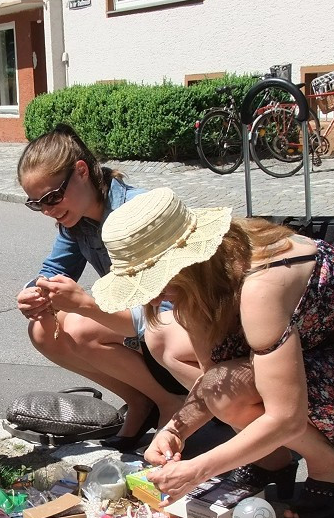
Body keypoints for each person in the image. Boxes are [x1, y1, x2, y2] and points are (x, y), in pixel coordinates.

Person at [91, 188, 334, 518]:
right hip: (313, 357)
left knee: (231, 388)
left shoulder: (262, 283)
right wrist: (174, 429)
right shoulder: (199, 283)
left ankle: (332, 466)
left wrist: (198, 468)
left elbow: (286, 416)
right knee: (220, 385)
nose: (152, 296)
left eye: (154, 280)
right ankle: (271, 460)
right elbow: (211, 380)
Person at [15, 124, 198, 451]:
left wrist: (85, 305)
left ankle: (170, 399)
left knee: (82, 327)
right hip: (142, 324)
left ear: (81, 171)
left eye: (52, 197)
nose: (48, 210)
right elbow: (52, 271)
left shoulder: (138, 210)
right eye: (36, 204)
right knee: (42, 329)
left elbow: (169, 308)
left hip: (181, 326)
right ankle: (140, 400)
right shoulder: (77, 221)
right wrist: (33, 293)